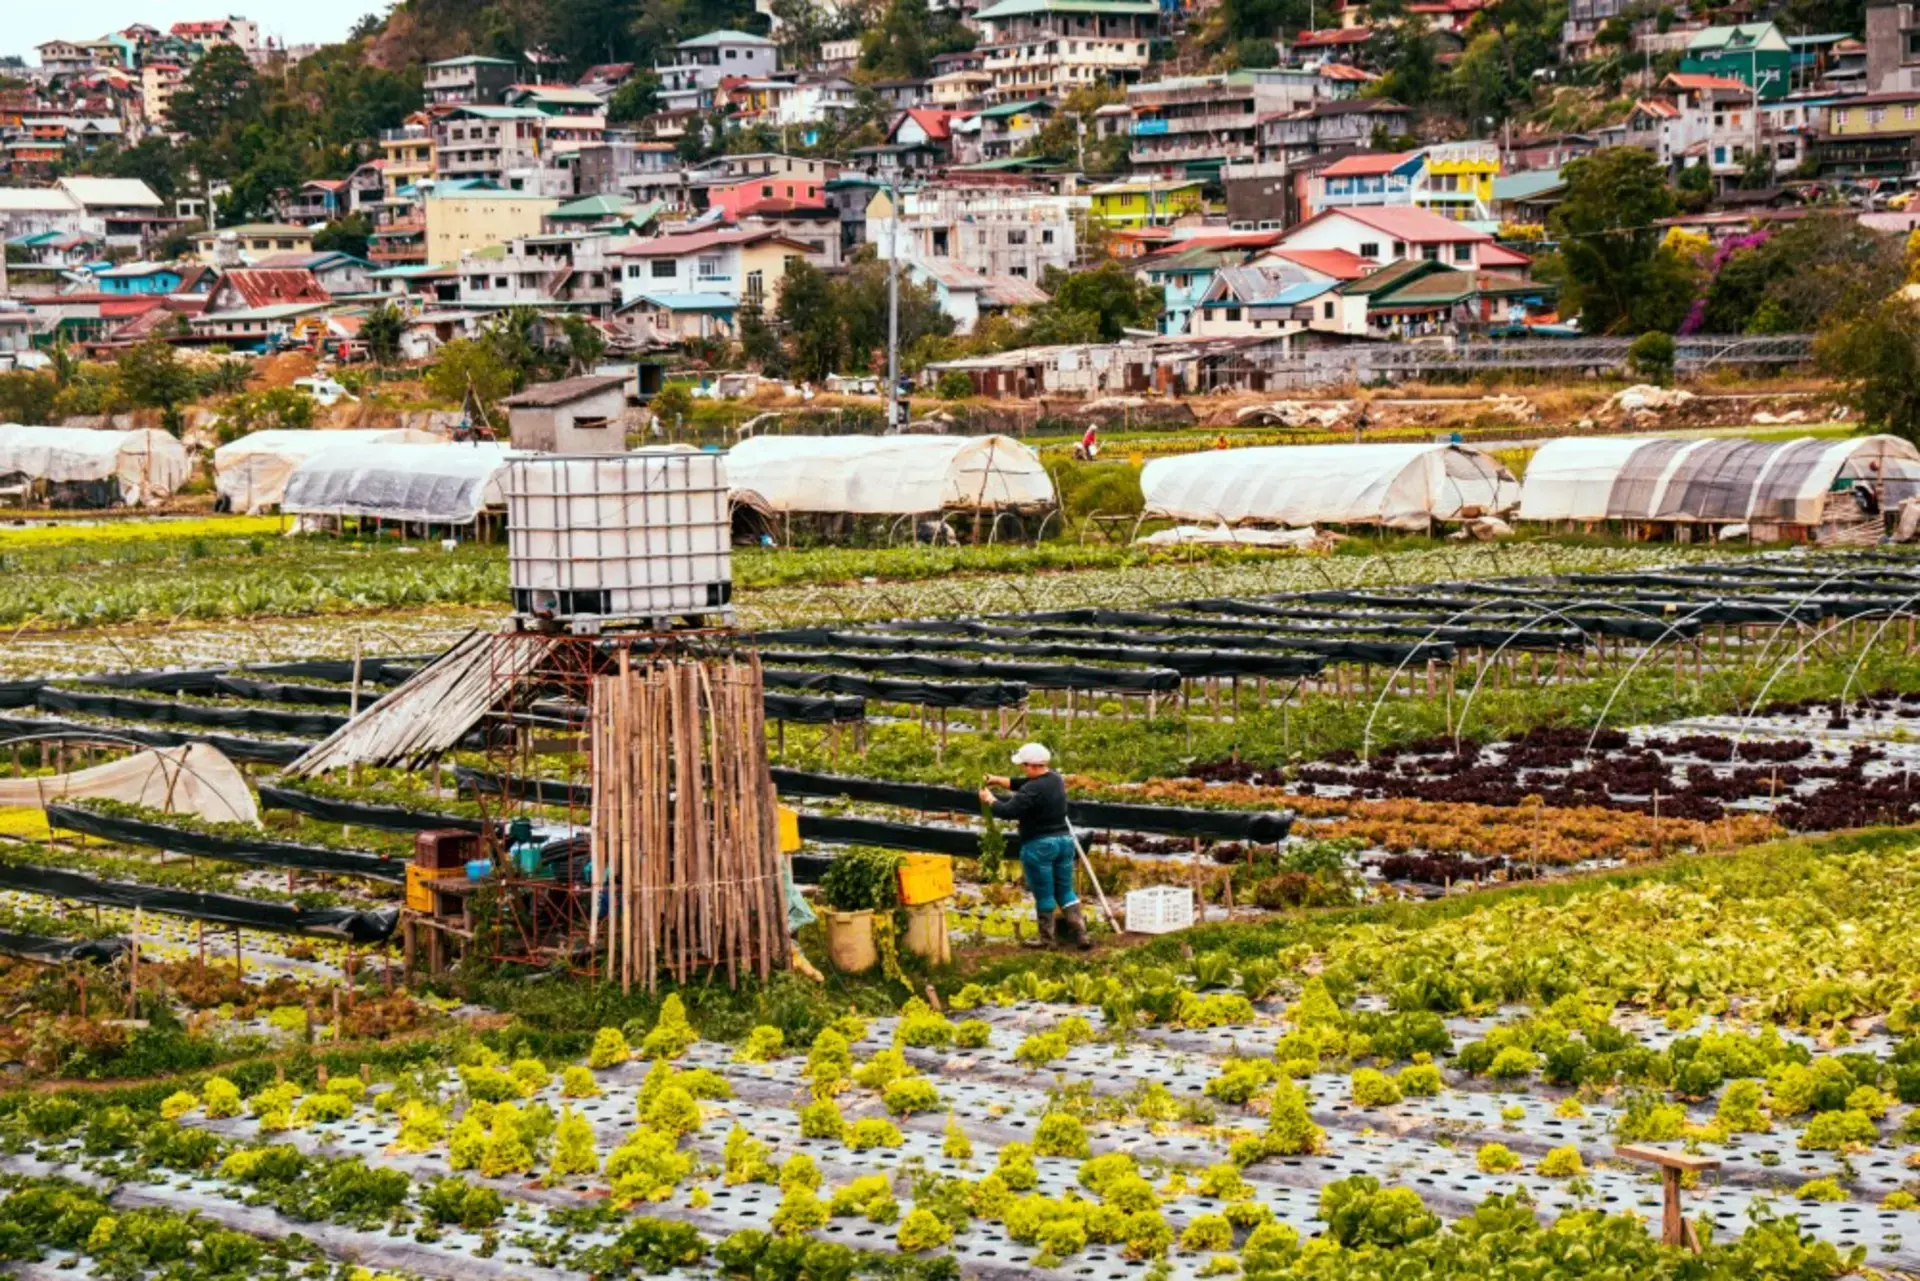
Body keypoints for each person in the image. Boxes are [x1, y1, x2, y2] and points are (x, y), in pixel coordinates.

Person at [979, 743, 1090, 950]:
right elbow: (1019, 784)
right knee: (1065, 890)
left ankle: (1048, 941)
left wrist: (990, 799)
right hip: (1064, 842)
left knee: (1045, 893)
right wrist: (996, 780)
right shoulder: (1055, 779)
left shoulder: (1032, 788)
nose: (1022, 769)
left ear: (1032, 766)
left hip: (1040, 845)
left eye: (1024, 765)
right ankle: (1081, 934)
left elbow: (1008, 810)